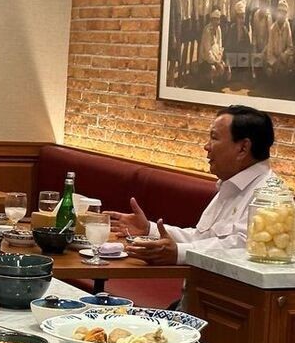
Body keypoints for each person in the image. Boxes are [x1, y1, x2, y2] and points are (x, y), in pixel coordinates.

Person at [108, 106, 276, 265]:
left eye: (214, 138)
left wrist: (179, 253)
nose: (206, 146)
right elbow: (200, 239)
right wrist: (148, 230)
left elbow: (242, 250)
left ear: (243, 148)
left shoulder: (270, 196)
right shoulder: (230, 183)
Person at [265, 0, 295, 79]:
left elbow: (290, 47)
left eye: (284, 13)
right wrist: (275, 62)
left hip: (283, 58)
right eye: (280, 12)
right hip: (274, 59)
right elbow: (270, 51)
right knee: (269, 71)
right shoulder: (272, 29)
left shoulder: (287, 26)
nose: (282, 15)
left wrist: (283, 56)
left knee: (291, 60)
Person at [198, 9, 229, 87]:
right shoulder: (207, 30)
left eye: (218, 19)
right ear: (211, 20)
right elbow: (208, 52)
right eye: (215, 19)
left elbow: (220, 46)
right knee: (213, 69)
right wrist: (216, 63)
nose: (217, 22)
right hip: (205, 60)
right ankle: (207, 83)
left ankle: (216, 82)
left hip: (216, 58)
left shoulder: (218, 29)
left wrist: (219, 58)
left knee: (224, 66)